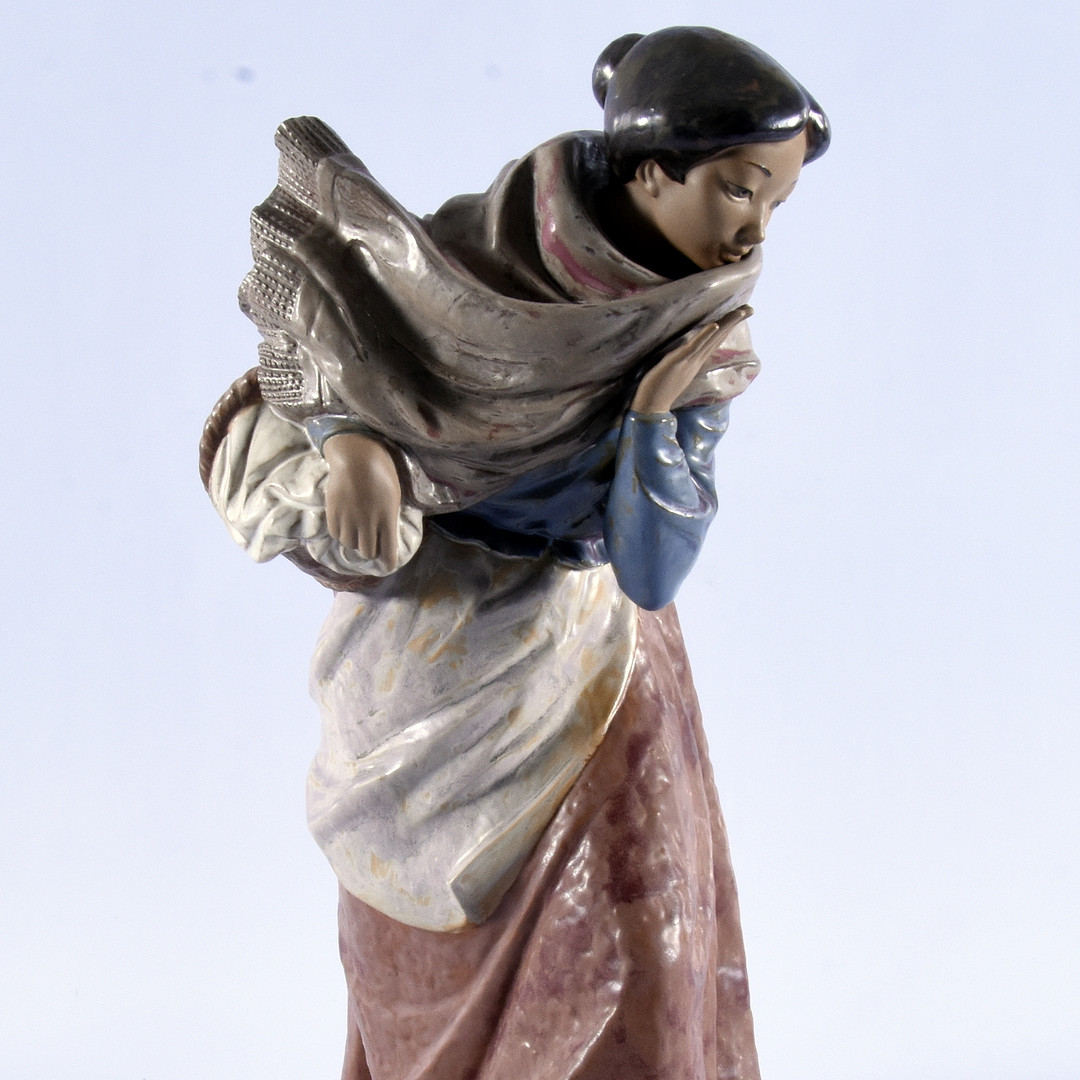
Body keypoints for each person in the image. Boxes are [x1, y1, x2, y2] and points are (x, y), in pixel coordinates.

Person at [203, 25, 829, 1080]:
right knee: (416, 962)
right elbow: (323, 342)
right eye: (737, 189)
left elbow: (650, 571)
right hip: (425, 658)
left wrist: (650, 420)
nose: (754, 231)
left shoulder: (704, 345)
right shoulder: (470, 261)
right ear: (651, 168)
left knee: (632, 946)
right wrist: (350, 440)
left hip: (586, 668)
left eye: (776, 202)